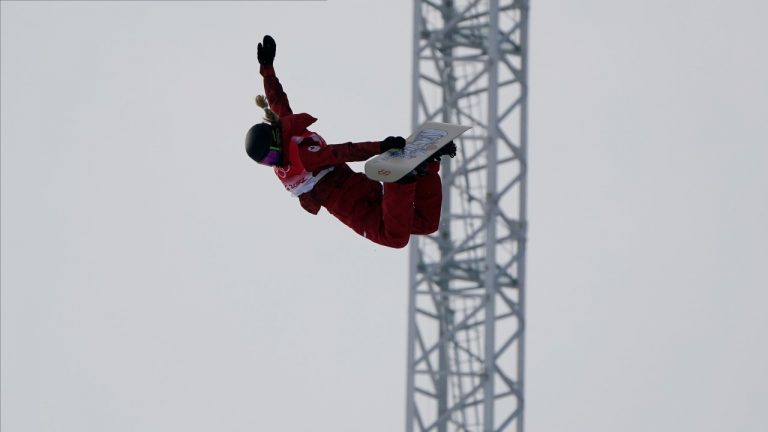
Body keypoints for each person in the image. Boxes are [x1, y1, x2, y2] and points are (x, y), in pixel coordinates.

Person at [245, 35, 455, 248]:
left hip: (350, 205)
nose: (275, 161)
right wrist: (267, 68)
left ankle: (399, 177)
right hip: (361, 187)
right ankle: (426, 164)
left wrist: (381, 147)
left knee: (394, 238)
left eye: (272, 155)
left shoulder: (301, 158)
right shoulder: (286, 131)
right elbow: (277, 101)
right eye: (269, 161)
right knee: (425, 223)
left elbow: (343, 152)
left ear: (275, 142)